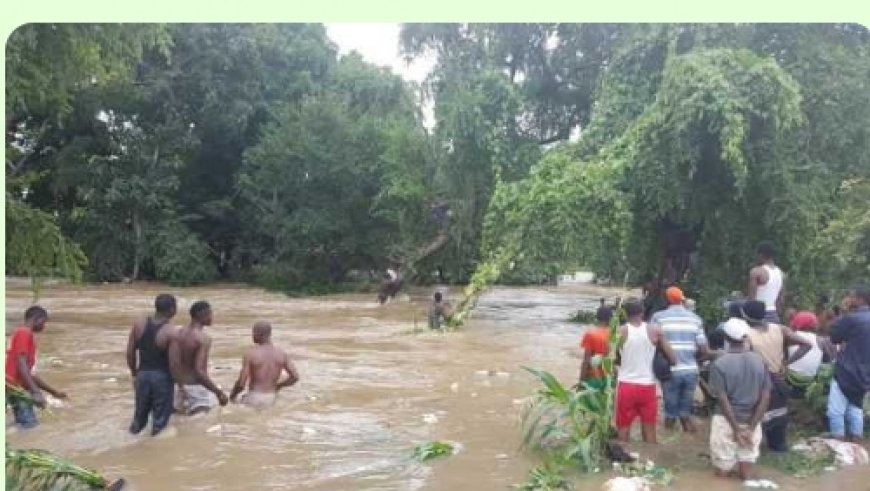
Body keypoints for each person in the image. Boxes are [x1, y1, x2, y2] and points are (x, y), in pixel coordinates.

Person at [742, 300, 811, 452]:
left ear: (744, 316)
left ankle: (754, 448)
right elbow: (807, 344)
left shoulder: (746, 336)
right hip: (778, 379)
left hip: (759, 381)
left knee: (757, 414)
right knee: (778, 414)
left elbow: (745, 361)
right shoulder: (780, 329)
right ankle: (778, 447)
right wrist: (786, 363)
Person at [708, 318, 771, 480]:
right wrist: (751, 427)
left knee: (722, 473)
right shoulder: (759, 361)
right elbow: (765, 396)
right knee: (746, 473)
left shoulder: (719, 363)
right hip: (752, 420)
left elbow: (722, 399)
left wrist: (736, 429)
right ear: (745, 337)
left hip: (726, 421)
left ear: (726, 338)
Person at [651, 286, 711, 432]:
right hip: (691, 371)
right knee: (685, 412)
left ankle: (666, 447)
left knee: (670, 415)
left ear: (667, 300)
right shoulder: (696, 319)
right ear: (682, 300)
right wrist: (694, 360)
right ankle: (688, 435)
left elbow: (651, 342)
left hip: (669, 371)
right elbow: (704, 350)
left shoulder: (658, 317)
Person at [615, 300, 675, 443]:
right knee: (649, 430)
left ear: (624, 314)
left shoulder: (619, 331)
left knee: (623, 428)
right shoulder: (655, 330)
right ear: (642, 313)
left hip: (626, 385)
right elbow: (673, 359)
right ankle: (650, 461)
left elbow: (612, 358)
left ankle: (622, 462)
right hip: (647, 386)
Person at [5, 306, 67, 429]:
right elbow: (21, 364)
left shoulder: (23, 334)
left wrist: (54, 392)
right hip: (14, 387)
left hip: (14, 387)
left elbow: (29, 373)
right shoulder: (24, 333)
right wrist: (36, 393)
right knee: (29, 425)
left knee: (23, 424)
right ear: (37, 319)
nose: (44, 326)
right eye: (44, 322)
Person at [126, 294, 178, 436]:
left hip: (143, 375)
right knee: (160, 423)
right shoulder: (171, 332)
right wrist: (180, 383)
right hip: (162, 378)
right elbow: (173, 364)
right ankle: (154, 451)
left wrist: (134, 373)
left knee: (138, 419)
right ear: (172, 309)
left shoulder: (139, 324)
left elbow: (130, 352)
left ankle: (133, 443)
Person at [168, 301, 228, 415]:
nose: (212, 317)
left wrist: (180, 386)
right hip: (196, 390)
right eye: (210, 314)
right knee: (200, 426)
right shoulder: (203, 339)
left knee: (178, 425)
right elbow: (199, 371)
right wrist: (218, 392)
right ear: (203, 315)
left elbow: (173, 363)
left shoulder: (177, 333)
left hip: (176, 387)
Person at [827, 286, 870, 443]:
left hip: (847, 371)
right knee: (855, 408)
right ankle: (857, 445)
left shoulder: (852, 317)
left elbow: (834, 337)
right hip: (865, 374)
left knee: (835, 411)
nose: (850, 299)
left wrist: (843, 312)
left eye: (852, 297)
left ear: (860, 299)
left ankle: (838, 447)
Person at [229, 322, 299, 408]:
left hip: (254, 397)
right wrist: (278, 386)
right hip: (271, 398)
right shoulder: (282, 353)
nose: (252, 336)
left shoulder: (251, 354)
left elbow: (241, 383)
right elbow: (295, 377)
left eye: (253, 333)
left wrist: (232, 396)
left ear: (258, 334)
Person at [747, 241, 786, 323]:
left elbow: (751, 300)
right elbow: (780, 300)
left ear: (761, 255)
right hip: (773, 314)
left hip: (759, 315)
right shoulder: (781, 274)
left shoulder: (756, 272)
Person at [578, 303, 614, 389]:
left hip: (593, 379)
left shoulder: (590, 334)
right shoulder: (615, 335)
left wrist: (581, 382)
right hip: (609, 379)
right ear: (611, 318)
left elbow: (586, 361)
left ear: (597, 317)